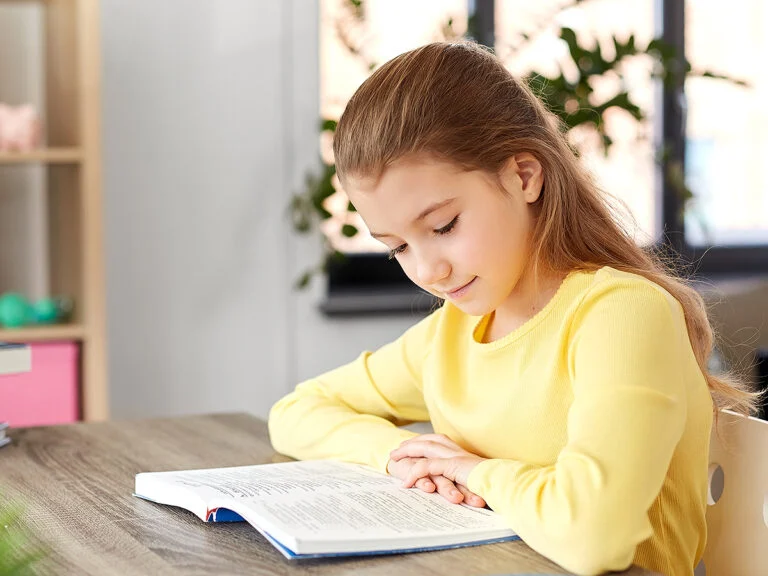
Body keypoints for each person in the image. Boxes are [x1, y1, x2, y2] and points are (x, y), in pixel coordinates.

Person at [268, 41, 756, 576]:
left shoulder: (621, 315)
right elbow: (295, 413)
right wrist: (400, 455)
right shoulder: (451, 336)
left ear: (524, 176)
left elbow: (596, 537)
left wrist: (476, 473)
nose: (428, 271)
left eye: (444, 227)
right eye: (398, 247)